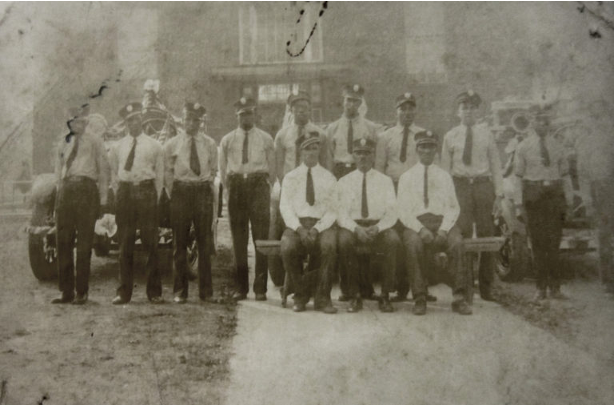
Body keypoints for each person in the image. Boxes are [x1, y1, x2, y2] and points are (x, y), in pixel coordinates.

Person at [398, 131, 471, 315]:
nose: (427, 151)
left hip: (442, 222)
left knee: (457, 243)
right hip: (417, 223)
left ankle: (459, 297)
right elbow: (402, 210)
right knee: (413, 244)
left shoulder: (444, 176)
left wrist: (444, 230)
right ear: (417, 150)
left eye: (430, 147)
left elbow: (453, 207)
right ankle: (420, 297)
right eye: (423, 146)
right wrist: (420, 229)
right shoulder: (406, 177)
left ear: (436, 150)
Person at [441, 90, 503, 301]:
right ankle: (466, 286)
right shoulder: (450, 136)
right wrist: (447, 197)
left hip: (482, 185)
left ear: (478, 111)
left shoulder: (487, 134)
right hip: (460, 187)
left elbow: (495, 165)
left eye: (472, 108)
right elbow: (445, 169)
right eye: (464, 107)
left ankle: (487, 286)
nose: (468, 111)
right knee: (464, 235)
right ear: (458, 111)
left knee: (487, 233)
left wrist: (499, 194)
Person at [375, 91, 437, 303]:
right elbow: (379, 168)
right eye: (403, 108)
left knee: (418, 234)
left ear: (415, 111)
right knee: (398, 236)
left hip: (415, 189)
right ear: (396, 111)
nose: (407, 112)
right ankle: (400, 288)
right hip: (392, 188)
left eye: (411, 108)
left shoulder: (422, 135)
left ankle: (422, 286)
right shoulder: (385, 136)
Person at [270, 90, 330, 287]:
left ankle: (314, 276)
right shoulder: (282, 135)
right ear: (291, 111)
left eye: (305, 109)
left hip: (313, 186)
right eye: (297, 110)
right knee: (280, 221)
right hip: (290, 185)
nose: (301, 113)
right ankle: (282, 274)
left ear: (310, 110)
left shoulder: (320, 134)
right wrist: (288, 186)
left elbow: (326, 165)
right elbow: (278, 165)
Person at [52, 104, 109, 305]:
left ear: (86, 121)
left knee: (84, 245)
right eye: (75, 121)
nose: (79, 124)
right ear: (69, 122)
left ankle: (81, 292)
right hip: (67, 191)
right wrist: (58, 199)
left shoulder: (95, 141)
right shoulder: (62, 142)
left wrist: (102, 201)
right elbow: (58, 173)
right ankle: (66, 291)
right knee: (63, 242)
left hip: (86, 191)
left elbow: (103, 171)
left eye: (82, 121)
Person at [220, 97, 275, 301]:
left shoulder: (266, 138)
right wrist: (230, 189)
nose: (246, 117)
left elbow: (272, 169)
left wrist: (264, 188)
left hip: (258, 184)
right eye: (242, 114)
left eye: (250, 113)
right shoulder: (227, 140)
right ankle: (241, 288)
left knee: (261, 237)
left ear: (255, 114)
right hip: (237, 187)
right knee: (239, 238)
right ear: (237, 116)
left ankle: (260, 288)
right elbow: (223, 169)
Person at [326, 84, 378, 300]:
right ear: (343, 100)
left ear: (361, 103)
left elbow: (374, 157)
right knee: (343, 230)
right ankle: (347, 287)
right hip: (340, 175)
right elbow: (329, 159)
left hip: (362, 174)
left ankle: (366, 286)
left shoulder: (369, 128)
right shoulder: (333, 128)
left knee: (362, 221)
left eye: (356, 101)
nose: (352, 104)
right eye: (348, 100)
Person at [109, 102, 164, 305]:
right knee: (125, 244)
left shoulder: (154, 145)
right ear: (125, 123)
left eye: (137, 119)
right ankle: (123, 292)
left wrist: (154, 197)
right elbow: (114, 173)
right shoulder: (118, 146)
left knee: (151, 244)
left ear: (142, 120)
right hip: (125, 193)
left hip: (147, 192)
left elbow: (159, 175)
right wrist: (120, 192)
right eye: (130, 120)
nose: (134, 123)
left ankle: (155, 291)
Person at [164, 102, 218, 304]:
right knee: (179, 243)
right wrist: (174, 192)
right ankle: (180, 291)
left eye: (195, 119)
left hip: (202, 191)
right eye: (187, 119)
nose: (191, 123)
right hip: (181, 192)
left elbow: (213, 169)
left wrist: (207, 183)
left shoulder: (209, 144)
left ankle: (206, 292)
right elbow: (168, 171)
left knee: (204, 243)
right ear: (182, 120)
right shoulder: (172, 144)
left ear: (200, 122)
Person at [337, 138, 399, 313]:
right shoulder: (344, 181)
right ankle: (354, 294)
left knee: (393, 240)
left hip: (378, 226)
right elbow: (340, 212)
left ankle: (385, 294)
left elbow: (392, 211)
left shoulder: (385, 181)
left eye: (367, 153)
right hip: (353, 226)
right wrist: (356, 228)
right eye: (358, 153)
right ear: (353, 156)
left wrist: (378, 227)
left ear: (373, 156)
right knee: (344, 242)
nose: (363, 157)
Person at [514, 104, 569, 301]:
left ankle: (555, 287)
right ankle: (540, 287)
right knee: (537, 244)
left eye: (546, 120)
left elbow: (565, 175)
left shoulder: (558, 145)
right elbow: (518, 177)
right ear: (532, 121)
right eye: (538, 120)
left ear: (550, 122)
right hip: (533, 197)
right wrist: (519, 204)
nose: (542, 124)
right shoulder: (523, 146)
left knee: (554, 243)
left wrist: (568, 200)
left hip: (553, 197)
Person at [280, 132, 338, 314]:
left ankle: (323, 297)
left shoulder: (329, 177)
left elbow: (333, 210)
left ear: (320, 150)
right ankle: (300, 295)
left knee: (329, 246)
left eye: (315, 148)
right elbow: (285, 207)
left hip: (322, 225)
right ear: (300, 151)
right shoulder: (291, 177)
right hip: (297, 224)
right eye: (307, 148)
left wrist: (316, 229)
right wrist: (299, 229)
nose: (311, 152)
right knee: (288, 247)